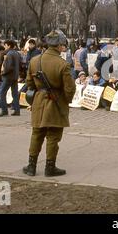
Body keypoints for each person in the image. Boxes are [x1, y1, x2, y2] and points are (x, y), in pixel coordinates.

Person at [22, 30, 76, 177]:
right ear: (58, 45)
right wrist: (66, 101)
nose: (63, 47)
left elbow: (28, 83)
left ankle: (31, 166)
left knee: (37, 133)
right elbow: (70, 89)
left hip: (38, 101)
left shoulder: (34, 61)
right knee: (53, 136)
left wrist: (38, 93)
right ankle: (49, 167)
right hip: (56, 102)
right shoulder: (63, 64)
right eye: (63, 45)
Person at [0, 40, 21, 117]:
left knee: (2, 92)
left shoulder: (9, 54)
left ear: (8, 45)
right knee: (15, 93)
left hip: (8, 76)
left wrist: (3, 73)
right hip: (15, 75)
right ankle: (17, 110)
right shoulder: (17, 53)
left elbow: (9, 67)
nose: (5, 47)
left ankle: (4, 110)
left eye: (5, 45)